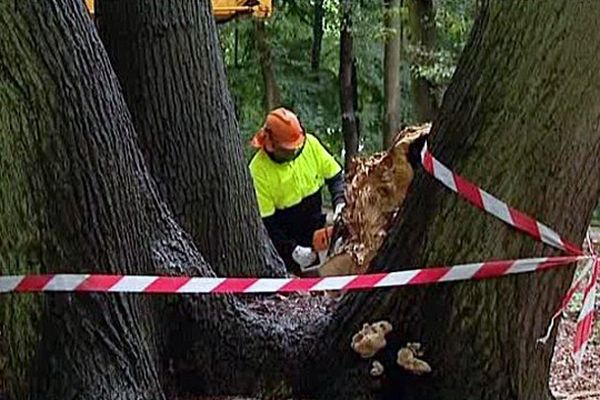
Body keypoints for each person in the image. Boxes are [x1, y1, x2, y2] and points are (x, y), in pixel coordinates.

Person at [249, 107, 345, 274]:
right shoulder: (258, 171)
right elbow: (267, 225)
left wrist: (340, 202)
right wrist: (291, 249)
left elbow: (335, 177)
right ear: (272, 145)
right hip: (287, 238)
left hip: (317, 225)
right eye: (288, 148)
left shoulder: (310, 145)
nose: (295, 150)